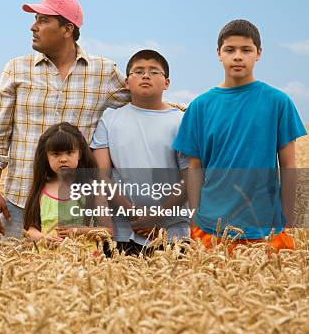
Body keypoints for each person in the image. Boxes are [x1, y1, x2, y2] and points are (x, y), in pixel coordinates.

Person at [0, 0, 130, 239]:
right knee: (12, 276)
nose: (33, 26)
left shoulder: (103, 71)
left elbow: (142, 100)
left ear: (67, 29)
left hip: (78, 208)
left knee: (75, 277)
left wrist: (191, 111)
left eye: (42, 20)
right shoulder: (16, 69)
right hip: (19, 204)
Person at [173, 19, 307, 251]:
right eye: (230, 50)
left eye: (246, 50)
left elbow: (288, 165)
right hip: (210, 227)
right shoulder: (200, 106)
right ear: (218, 53)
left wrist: (288, 219)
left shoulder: (278, 102)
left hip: (267, 227)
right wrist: (195, 219)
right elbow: (194, 167)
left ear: (258, 53)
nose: (237, 56)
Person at [91, 50, 190, 256]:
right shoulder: (109, 119)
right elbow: (102, 175)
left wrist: (157, 216)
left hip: (171, 232)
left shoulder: (181, 121)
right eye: (138, 71)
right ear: (127, 82)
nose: (146, 76)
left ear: (167, 83)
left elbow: (190, 178)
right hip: (122, 233)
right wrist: (132, 212)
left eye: (154, 72)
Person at [23, 122, 111, 249]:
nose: (63, 159)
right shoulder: (42, 188)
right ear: (46, 157)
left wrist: (80, 232)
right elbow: (30, 230)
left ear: (79, 154)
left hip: (84, 260)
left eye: (69, 152)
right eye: (56, 154)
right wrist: (43, 238)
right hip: (48, 261)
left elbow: (108, 231)